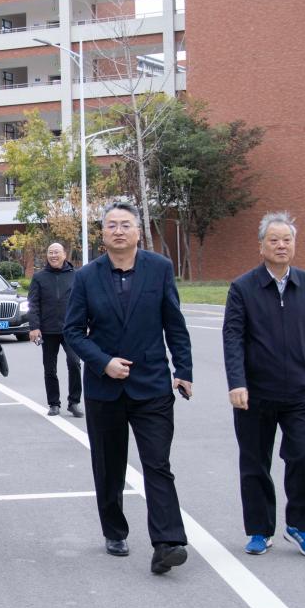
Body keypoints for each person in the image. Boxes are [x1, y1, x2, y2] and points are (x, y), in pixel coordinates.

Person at [64, 201, 193, 576]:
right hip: (104, 388)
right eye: (111, 225)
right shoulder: (87, 277)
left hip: (151, 384)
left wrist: (183, 370)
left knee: (157, 463)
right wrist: (103, 362)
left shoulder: (159, 269)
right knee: (109, 466)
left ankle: (168, 543)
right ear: (102, 234)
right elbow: (73, 331)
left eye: (125, 224)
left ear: (138, 231)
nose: (118, 231)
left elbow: (174, 323)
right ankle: (114, 531)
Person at [222, 211, 305, 558]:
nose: (281, 245)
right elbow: (233, 337)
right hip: (255, 393)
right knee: (255, 462)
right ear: (261, 246)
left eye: (287, 240)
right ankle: (259, 530)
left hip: (300, 391)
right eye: (274, 240)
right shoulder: (243, 288)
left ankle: (300, 526)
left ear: (294, 245)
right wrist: (237, 382)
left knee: (304, 455)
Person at [28, 242, 82, 417]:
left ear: (64, 254)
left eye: (56, 252)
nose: (53, 255)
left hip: (71, 329)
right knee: (50, 369)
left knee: (74, 363)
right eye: (50, 252)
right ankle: (54, 403)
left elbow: (83, 302)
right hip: (48, 329)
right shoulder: (39, 277)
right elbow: (33, 303)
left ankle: (74, 402)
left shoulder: (76, 276)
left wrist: (86, 324)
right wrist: (34, 327)